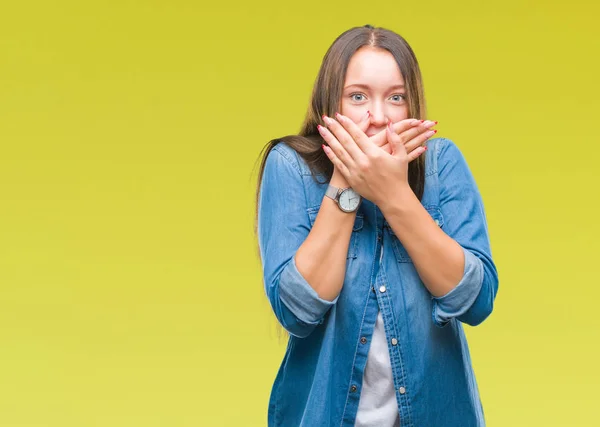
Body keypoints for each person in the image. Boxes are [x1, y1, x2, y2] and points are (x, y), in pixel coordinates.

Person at [254, 24, 499, 427]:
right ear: (330, 104)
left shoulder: (441, 164)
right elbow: (297, 311)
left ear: (412, 105)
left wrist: (392, 194)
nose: (379, 117)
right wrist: (347, 180)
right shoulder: (290, 168)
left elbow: (476, 301)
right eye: (358, 97)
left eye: (396, 97)